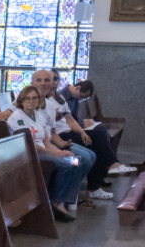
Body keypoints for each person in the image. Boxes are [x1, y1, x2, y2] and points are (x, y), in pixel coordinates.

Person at [37, 70, 133, 199]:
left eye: (54, 79)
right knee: (82, 157)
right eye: (43, 80)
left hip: (58, 138)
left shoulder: (58, 99)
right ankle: (65, 195)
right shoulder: (35, 100)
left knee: (94, 147)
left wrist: (81, 133)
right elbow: (46, 134)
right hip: (47, 144)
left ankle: (81, 189)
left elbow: (68, 120)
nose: (51, 83)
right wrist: (59, 150)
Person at [6, 86, 91, 222]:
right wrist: (55, 155)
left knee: (74, 160)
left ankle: (63, 198)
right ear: (21, 100)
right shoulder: (16, 118)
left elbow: (46, 140)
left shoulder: (38, 116)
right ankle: (57, 202)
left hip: (43, 151)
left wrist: (61, 152)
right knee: (67, 165)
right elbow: (27, 144)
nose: (31, 101)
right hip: (28, 155)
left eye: (34, 98)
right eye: (27, 98)